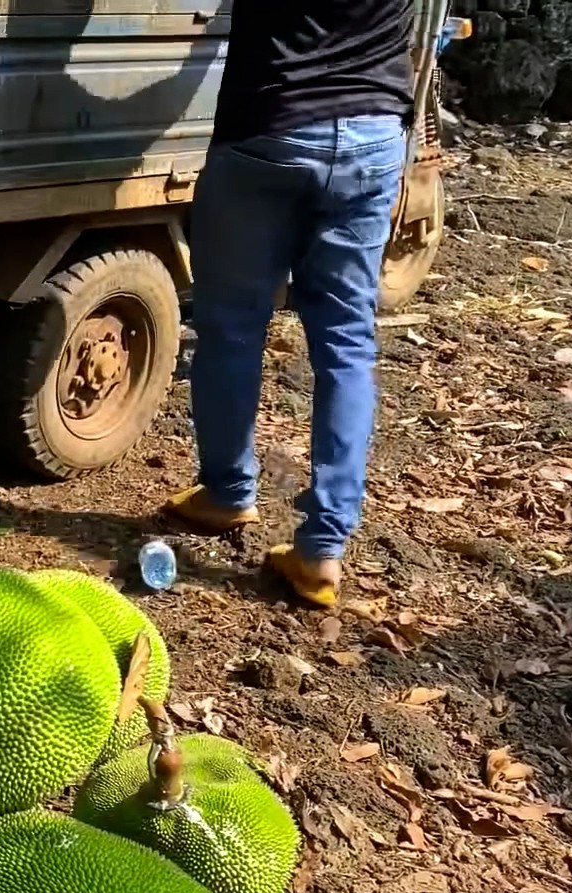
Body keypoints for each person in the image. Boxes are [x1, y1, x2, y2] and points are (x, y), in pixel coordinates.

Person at [165, 0, 417, 609]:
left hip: (270, 132)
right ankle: (322, 549)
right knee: (348, 345)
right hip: (374, 134)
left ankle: (227, 494)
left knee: (231, 329)